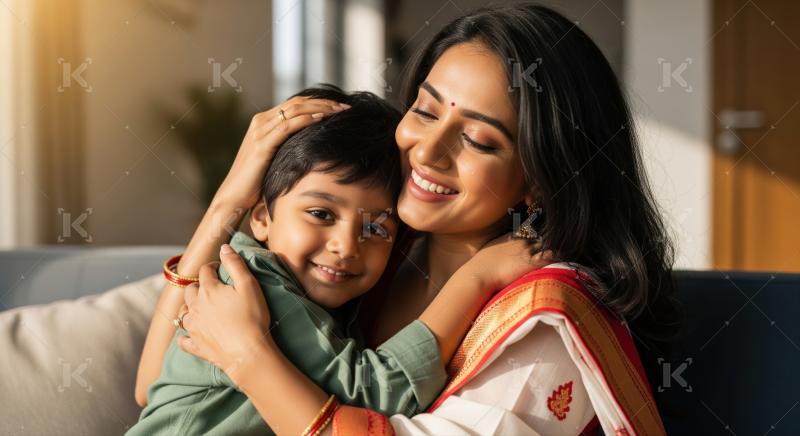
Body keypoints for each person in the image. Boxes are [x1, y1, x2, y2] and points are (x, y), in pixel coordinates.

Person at [137, 3, 683, 435]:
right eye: (424, 110)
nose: (427, 151)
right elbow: (153, 384)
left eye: (476, 139)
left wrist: (248, 355)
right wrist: (230, 200)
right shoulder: (377, 254)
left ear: (540, 178)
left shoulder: (546, 322)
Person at [132, 86, 549, 435]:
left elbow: (150, 388)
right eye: (321, 214)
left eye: (375, 228)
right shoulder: (257, 286)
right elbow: (379, 391)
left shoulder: (337, 300)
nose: (346, 246)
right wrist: (475, 277)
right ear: (259, 215)